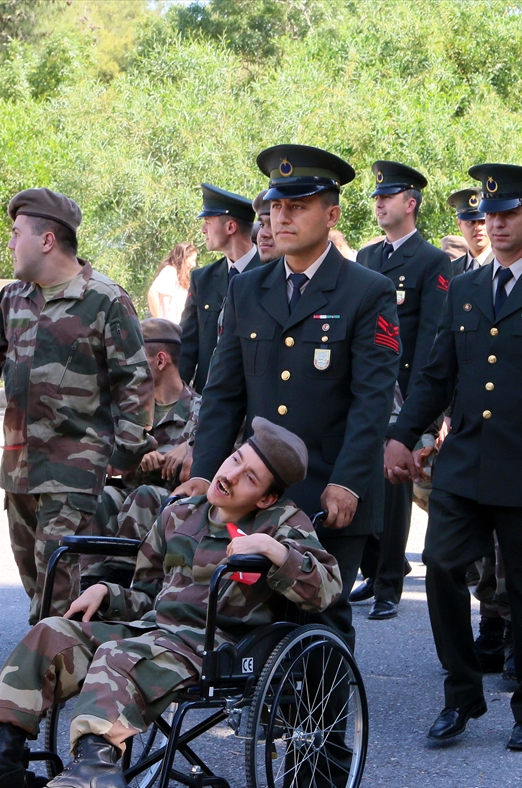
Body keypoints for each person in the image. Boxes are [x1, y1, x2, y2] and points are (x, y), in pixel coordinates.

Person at [0, 419, 339, 788]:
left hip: (213, 647)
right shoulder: (181, 513)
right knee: (51, 633)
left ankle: (96, 771)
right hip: (154, 631)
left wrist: (276, 552)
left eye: (249, 477)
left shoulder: (282, 523)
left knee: (119, 656)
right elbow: (148, 594)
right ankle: (2, 757)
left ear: (265, 498)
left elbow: (326, 589)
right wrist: (108, 593)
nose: (230, 475)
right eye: (234, 460)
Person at [385, 163, 522, 751]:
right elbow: (436, 375)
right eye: (490, 216)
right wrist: (403, 434)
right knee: (443, 569)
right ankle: (461, 695)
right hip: (466, 462)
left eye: (509, 214)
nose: (498, 225)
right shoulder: (465, 288)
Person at [175, 144, 400, 655]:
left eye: (298, 206)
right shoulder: (248, 289)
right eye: (277, 206)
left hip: (330, 486)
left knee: (323, 615)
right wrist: (207, 471)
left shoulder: (367, 291)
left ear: (332, 214)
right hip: (256, 485)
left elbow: (371, 400)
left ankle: (332, 734)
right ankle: (278, 728)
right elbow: (224, 392)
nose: (282, 217)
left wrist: (347, 481)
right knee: (259, 613)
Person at [0, 188, 155, 623]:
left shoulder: (104, 299)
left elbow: (134, 379)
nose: (10, 243)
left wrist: (123, 455)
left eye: (16, 233)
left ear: (47, 240)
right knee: (37, 590)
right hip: (19, 472)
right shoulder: (14, 297)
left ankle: (50, 682)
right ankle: (54, 669)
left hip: (74, 475)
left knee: (60, 594)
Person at [351, 161, 452, 620]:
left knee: (392, 489)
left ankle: (390, 581)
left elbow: (433, 334)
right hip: (366, 386)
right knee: (359, 478)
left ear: (410, 204)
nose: (379, 204)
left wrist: (421, 409)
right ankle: (372, 568)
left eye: (387, 197)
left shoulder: (432, 262)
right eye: (376, 197)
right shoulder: (368, 259)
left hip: (403, 391)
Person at [86, 319, 199, 587]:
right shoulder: (125, 411)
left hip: (178, 509)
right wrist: (132, 459)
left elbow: (220, 466)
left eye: (134, 359)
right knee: (102, 497)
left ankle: (119, 581)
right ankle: (87, 583)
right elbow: (100, 460)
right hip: (127, 500)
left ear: (161, 360)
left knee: (146, 496)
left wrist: (190, 450)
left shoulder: (202, 414)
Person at [178, 185, 260, 392]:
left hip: (255, 398)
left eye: (207, 222)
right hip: (209, 397)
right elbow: (187, 347)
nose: (203, 230)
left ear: (230, 227)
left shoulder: (272, 273)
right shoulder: (202, 279)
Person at [146, 242, 197, 322]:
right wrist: (159, 321)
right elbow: (152, 293)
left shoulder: (180, 278)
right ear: (184, 258)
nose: (194, 265)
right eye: (192, 260)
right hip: (168, 330)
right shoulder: (170, 271)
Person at [446, 188, 492, 274]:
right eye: (471, 222)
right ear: (459, 224)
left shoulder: (504, 265)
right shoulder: (450, 270)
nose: (478, 227)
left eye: (483, 221)